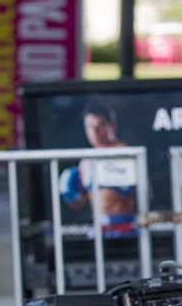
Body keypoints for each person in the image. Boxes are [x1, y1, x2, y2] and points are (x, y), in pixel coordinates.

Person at [59, 100, 138, 238]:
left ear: (112, 126)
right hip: (99, 226)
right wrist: (71, 195)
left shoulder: (126, 154)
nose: (94, 131)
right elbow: (80, 202)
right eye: (89, 126)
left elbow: (146, 194)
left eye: (99, 125)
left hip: (124, 226)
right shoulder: (87, 161)